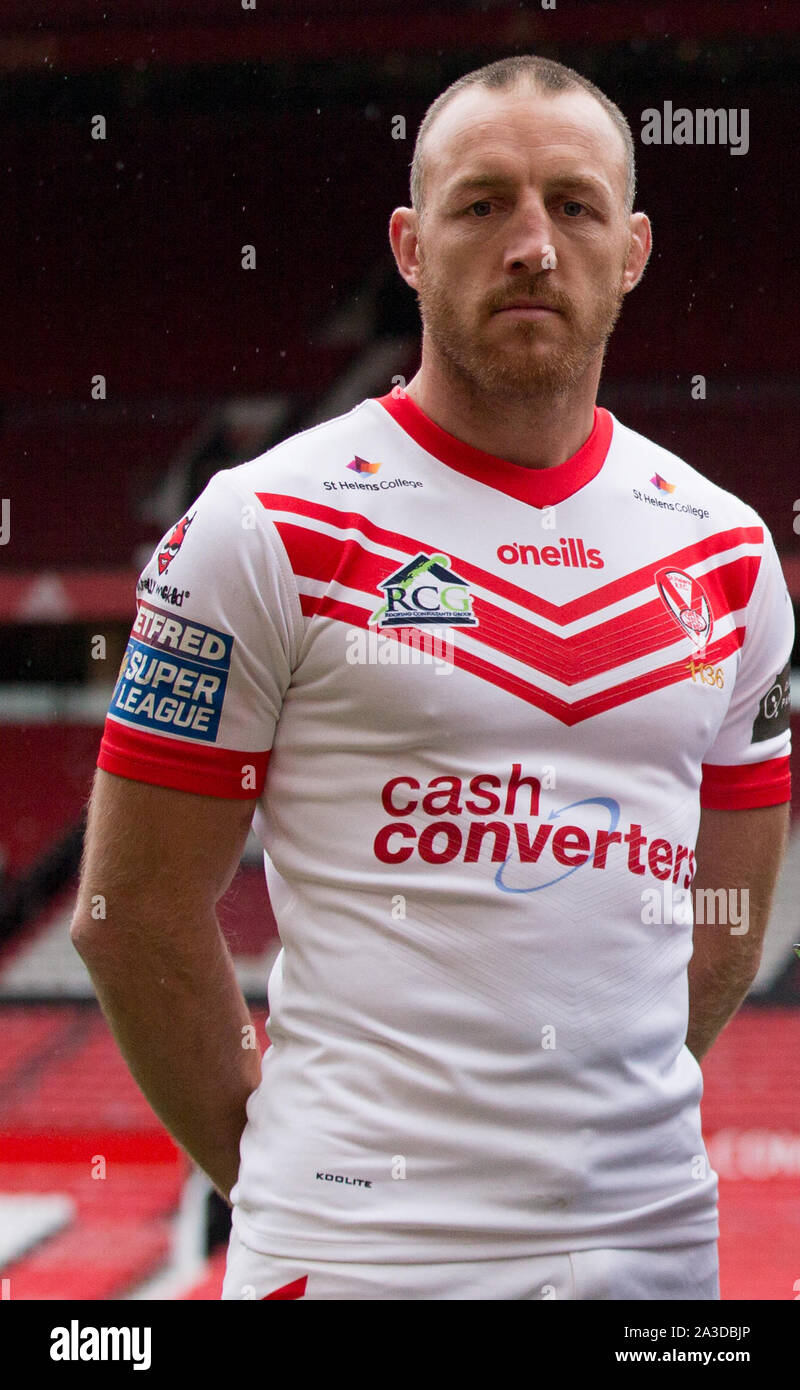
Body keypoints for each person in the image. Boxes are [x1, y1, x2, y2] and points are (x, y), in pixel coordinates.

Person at [71, 55, 793, 1301]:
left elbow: (723, 927)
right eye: (481, 205)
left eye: (571, 206)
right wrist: (302, 1181)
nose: (529, 245)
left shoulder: (727, 552)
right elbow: (129, 916)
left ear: (631, 249)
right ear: (408, 245)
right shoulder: (262, 523)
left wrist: (588, 1150)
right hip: (356, 1261)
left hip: (652, 1255)